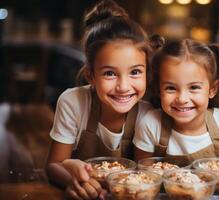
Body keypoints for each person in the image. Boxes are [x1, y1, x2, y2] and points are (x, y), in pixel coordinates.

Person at [46, 0, 158, 199]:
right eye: (109, 73)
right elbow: (54, 165)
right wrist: (75, 180)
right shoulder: (74, 102)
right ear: (90, 75)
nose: (123, 87)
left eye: (135, 72)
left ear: (147, 72)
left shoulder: (149, 111)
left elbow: (151, 175)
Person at [134, 38, 219, 189]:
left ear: (212, 89)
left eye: (194, 87)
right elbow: (143, 173)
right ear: (159, 89)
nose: (182, 99)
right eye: (171, 88)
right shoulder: (151, 124)